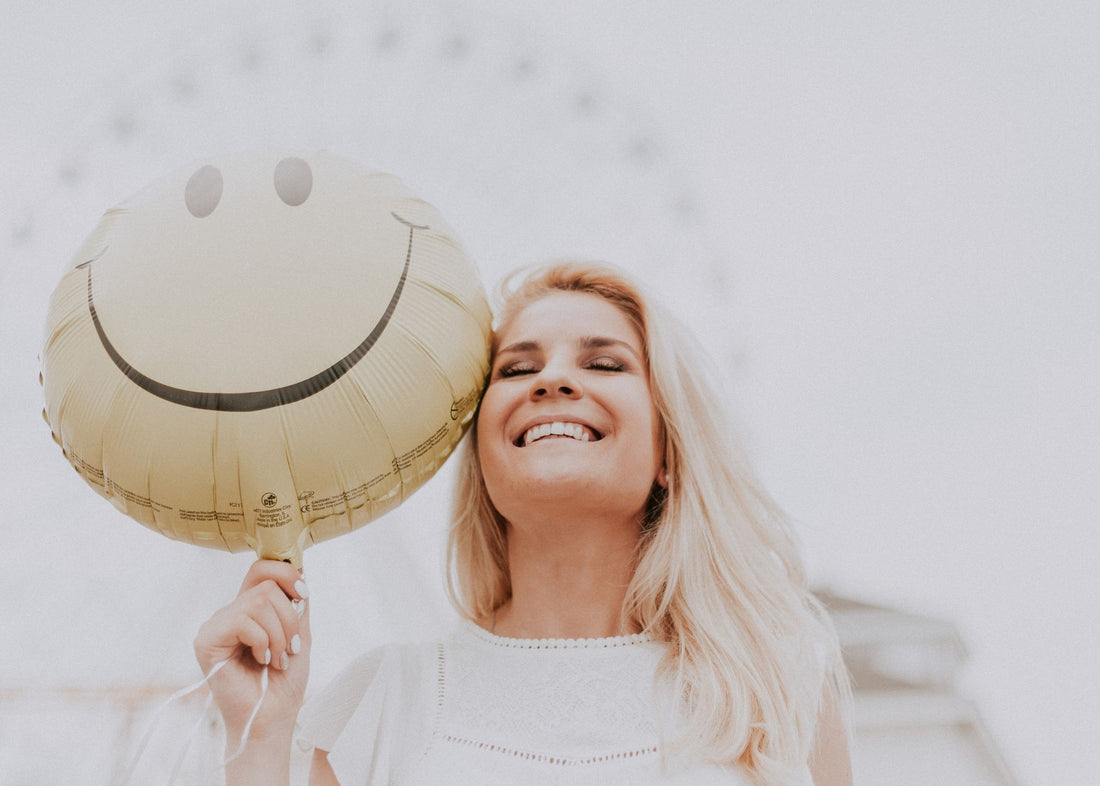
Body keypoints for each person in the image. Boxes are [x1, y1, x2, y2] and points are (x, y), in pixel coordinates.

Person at [195, 261, 852, 785]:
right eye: (518, 368)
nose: (554, 380)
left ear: (670, 456)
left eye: (603, 363)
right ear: (481, 454)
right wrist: (257, 739)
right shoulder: (387, 703)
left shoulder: (774, 690)